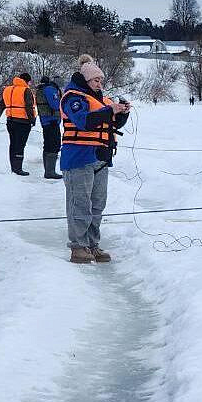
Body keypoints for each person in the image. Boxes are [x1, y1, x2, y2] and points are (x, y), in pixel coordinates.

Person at [60, 61, 131, 264]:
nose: (100, 84)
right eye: (96, 80)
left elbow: (112, 123)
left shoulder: (102, 100)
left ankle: (92, 244)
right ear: (86, 80)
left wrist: (122, 113)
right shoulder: (73, 98)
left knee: (97, 204)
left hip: (100, 158)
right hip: (78, 157)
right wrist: (110, 111)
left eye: (101, 80)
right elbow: (84, 121)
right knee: (80, 204)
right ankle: (78, 246)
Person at [0, 72, 37, 176]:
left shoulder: (7, 89)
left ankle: (14, 167)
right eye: (29, 81)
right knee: (20, 145)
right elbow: (29, 107)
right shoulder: (26, 90)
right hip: (23, 122)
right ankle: (18, 169)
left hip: (10, 121)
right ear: (26, 81)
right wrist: (32, 120)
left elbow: (2, 105)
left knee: (13, 144)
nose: (29, 84)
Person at [35, 76, 63, 179]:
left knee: (47, 145)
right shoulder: (50, 89)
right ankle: (50, 172)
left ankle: (48, 170)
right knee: (54, 145)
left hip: (45, 120)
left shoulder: (40, 90)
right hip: (52, 121)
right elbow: (55, 105)